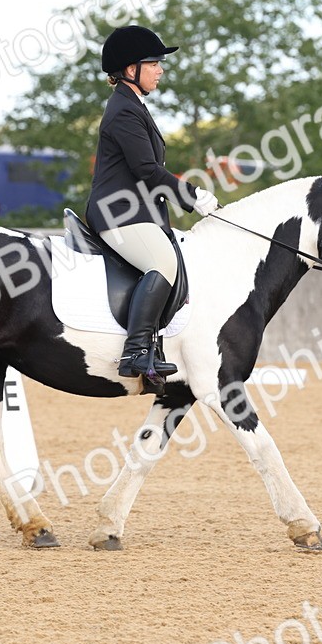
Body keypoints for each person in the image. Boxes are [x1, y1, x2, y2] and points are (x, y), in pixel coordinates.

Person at [85, 25, 219, 382]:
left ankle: (155, 344)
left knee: (172, 257)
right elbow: (146, 169)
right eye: (154, 63)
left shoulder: (133, 106)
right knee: (162, 262)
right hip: (118, 214)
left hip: (136, 212)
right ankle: (136, 351)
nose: (161, 69)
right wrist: (192, 195)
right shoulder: (125, 111)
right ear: (131, 70)